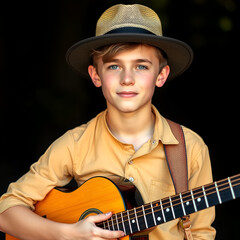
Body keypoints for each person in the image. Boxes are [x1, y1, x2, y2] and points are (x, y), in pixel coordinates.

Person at [0, 4, 216, 240]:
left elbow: (201, 233)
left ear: (161, 75)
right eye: (114, 66)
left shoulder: (190, 149)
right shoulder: (75, 144)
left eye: (141, 66)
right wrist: (68, 233)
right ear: (96, 76)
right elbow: (5, 212)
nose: (127, 79)